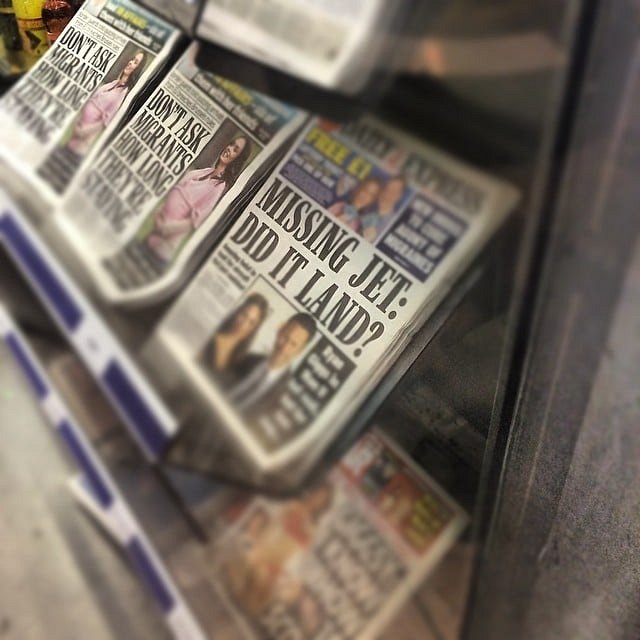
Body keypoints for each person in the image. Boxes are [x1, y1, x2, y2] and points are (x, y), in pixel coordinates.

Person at [145, 135, 252, 262]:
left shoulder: (219, 186)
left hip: (161, 249)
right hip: (151, 237)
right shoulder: (205, 172)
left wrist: (165, 228)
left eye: (235, 150)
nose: (229, 148)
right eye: (231, 144)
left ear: (238, 160)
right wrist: (158, 213)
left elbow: (194, 221)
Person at [227, 312, 316, 415]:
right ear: (280, 331)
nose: (284, 347)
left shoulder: (285, 395)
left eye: (293, 344)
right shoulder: (247, 358)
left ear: (299, 351)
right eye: (285, 337)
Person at [66, 50, 146, 155]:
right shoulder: (113, 83)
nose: (130, 62)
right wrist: (76, 122)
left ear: (137, 70)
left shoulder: (123, 93)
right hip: (73, 135)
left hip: (81, 143)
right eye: (132, 59)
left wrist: (83, 132)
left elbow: (104, 122)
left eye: (135, 62)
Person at [200, 293, 268, 388]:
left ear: (253, 329)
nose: (243, 324)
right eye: (244, 315)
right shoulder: (208, 336)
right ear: (237, 312)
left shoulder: (245, 361)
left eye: (251, 322)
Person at [361, 175, 407, 242]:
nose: (387, 194)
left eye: (393, 191)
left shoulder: (392, 224)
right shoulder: (366, 207)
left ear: (399, 196)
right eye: (387, 188)